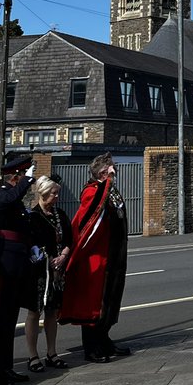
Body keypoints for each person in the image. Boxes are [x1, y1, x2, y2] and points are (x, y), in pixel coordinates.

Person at [60, 153, 131, 363]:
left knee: (110, 300)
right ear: (102, 172)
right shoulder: (92, 191)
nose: (114, 170)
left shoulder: (109, 190)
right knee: (93, 303)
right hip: (97, 257)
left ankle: (104, 339)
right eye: (110, 167)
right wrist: (106, 182)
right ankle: (91, 347)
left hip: (114, 254)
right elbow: (90, 217)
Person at [0, 155, 37, 385]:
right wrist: (27, 180)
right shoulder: (2, 194)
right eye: (23, 176)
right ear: (15, 176)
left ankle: (5, 367)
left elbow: (24, 227)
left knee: (10, 317)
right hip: (4, 260)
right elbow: (8, 201)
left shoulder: (15, 200)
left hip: (17, 262)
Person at [24, 175, 72, 372]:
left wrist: (63, 256)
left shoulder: (60, 215)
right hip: (39, 272)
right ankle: (33, 356)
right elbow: (30, 243)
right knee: (34, 312)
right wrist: (46, 259)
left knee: (52, 312)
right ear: (43, 194)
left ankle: (52, 352)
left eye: (57, 193)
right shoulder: (32, 217)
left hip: (57, 271)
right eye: (53, 193)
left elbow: (69, 238)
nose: (57, 196)